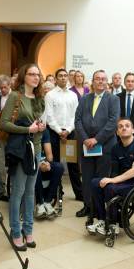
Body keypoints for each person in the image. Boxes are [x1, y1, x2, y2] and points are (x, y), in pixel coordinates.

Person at [0, 63, 46, 251]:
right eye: (32, 74)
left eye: (38, 74)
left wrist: (39, 129)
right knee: (17, 192)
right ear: (23, 76)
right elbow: (4, 124)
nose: (36, 77)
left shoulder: (39, 98)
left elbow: (38, 125)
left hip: (35, 149)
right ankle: (16, 231)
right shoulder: (14, 96)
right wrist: (28, 129)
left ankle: (28, 230)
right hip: (20, 151)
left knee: (30, 193)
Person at [86, 118, 134, 235]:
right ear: (117, 132)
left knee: (110, 188)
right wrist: (108, 181)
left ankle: (113, 224)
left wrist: (111, 181)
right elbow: (115, 172)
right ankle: (102, 219)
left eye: (127, 126)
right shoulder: (116, 148)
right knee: (95, 183)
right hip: (122, 180)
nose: (124, 128)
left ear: (133, 130)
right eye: (120, 126)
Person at [74, 70, 120, 223]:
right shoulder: (85, 99)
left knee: (101, 178)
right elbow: (78, 120)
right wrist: (86, 139)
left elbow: (113, 122)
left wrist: (97, 139)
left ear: (107, 82)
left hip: (105, 146)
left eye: (103, 79)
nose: (100, 81)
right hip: (87, 145)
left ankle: (99, 208)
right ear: (92, 82)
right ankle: (88, 206)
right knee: (87, 177)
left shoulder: (113, 99)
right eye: (97, 79)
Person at [44, 68, 82, 203]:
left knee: (73, 165)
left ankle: (79, 193)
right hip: (54, 134)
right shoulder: (50, 95)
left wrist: (68, 130)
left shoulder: (73, 95)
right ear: (55, 78)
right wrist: (60, 131)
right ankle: (56, 192)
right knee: (56, 164)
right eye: (60, 76)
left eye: (65, 76)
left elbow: (76, 115)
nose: (63, 78)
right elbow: (49, 116)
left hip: (70, 133)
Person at [34, 129, 64, 218]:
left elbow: (49, 155)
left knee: (59, 167)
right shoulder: (27, 129)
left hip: (43, 162)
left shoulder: (44, 131)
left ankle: (47, 202)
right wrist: (39, 164)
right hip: (31, 163)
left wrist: (46, 163)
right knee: (36, 170)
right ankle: (40, 204)